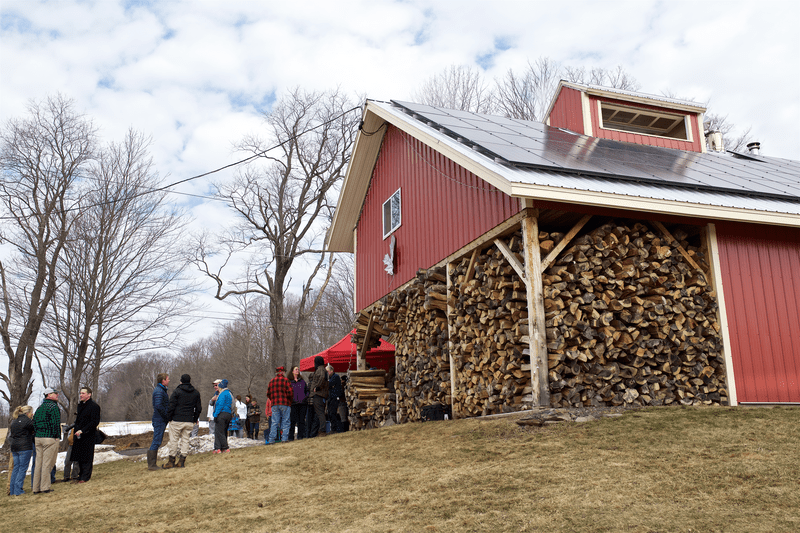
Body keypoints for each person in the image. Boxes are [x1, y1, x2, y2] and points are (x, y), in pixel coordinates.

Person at [162, 374, 202, 469]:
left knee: (174, 440)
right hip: (189, 420)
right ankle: (182, 461)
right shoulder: (196, 393)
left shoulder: (177, 392)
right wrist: (194, 419)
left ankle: (171, 461)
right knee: (185, 440)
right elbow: (199, 408)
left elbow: (171, 407)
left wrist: (168, 418)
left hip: (176, 420)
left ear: (181, 381)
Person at [32, 387, 61, 494]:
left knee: (38, 463)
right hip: (49, 438)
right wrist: (57, 436)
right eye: (55, 393)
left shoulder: (39, 408)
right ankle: (45, 487)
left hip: (38, 438)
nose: (57, 395)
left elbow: (34, 423)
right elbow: (55, 423)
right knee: (47, 464)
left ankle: (36, 488)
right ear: (49, 395)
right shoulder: (53, 407)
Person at [71, 386, 101, 483]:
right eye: (80, 393)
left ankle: (85, 477)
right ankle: (80, 475)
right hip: (78, 435)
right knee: (79, 456)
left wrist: (83, 430)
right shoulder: (80, 406)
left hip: (88, 435)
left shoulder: (94, 406)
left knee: (87, 457)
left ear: (89, 394)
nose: (81, 395)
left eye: (83, 393)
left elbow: (94, 422)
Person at [8, 405, 35, 496]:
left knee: (16, 468)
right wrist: (33, 419)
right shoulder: (27, 421)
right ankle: (18, 490)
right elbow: (34, 428)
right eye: (31, 412)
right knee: (22, 469)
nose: (32, 414)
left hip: (14, 448)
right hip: (24, 447)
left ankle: (12, 490)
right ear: (28, 413)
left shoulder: (14, 421)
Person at [148, 373, 170, 471]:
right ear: (163, 381)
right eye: (167, 379)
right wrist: (166, 415)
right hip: (159, 419)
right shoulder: (159, 391)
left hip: (160, 419)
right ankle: (152, 465)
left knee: (157, 440)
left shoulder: (161, 390)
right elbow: (158, 406)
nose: (169, 380)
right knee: (156, 441)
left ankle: (152, 464)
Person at [266, 366, 292, 444]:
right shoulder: (286, 380)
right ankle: (284, 439)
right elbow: (290, 393)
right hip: (285, 403)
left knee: (274, 422)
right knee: (285, 421)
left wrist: (273, 400)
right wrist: (289, 400)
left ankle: (271, 439)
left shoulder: (271, 381)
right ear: (283, 372)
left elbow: (268, 394)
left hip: (274, 404)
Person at [307, 356, 328, 438]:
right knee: (320, 413)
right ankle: (319, 430)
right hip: (320, 395)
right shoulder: (323, 369)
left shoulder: (320, 369)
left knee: (320, 413)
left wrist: (317, 387)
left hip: (318, 395)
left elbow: (322, 378)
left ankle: (322, 430)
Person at [212, 379, 233, 453]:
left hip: (222, 414)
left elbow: (220, 405)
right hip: (228, 414)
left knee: (219, 431)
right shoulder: (229, 393)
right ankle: (221, 448)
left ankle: (225, 447)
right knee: (224, 431)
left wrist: (215, 415)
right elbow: (232, 404)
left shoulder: (222, 394)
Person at [288, 366, 308, 441]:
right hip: (293, 404)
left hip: (302, 404)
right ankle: (291, 437)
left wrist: (305, 397)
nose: (297, 370)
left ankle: (301, 436)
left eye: (298, 369)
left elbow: (307, 391)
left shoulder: (302, 381)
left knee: (301, 421)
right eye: (296, 369)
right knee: (292, 421)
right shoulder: (289, 382)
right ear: (292, 371)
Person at [326, 364, 344, 434]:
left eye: (327, 371)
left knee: (332, 413)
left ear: (331, 371)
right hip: (331, 397)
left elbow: (329, 384)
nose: (327, 373)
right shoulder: (331, 377)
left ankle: (334, 429)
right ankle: (333, 428)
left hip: (334, 397)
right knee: (330, 413)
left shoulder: (335, 377)